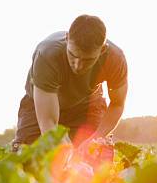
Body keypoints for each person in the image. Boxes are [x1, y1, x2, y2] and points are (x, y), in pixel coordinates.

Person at [12, 15, 128, 152]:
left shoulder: (115, 59)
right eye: (73, 56)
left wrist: (95, 138)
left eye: (87, 60)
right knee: (27, 157)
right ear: (67, 39)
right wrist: (69, 155)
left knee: (98, 155)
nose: (78, 65)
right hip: (40, 106)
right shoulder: (47, 55)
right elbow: (48, 123)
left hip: (86, 105)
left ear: (102, 50)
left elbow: (117, 104)